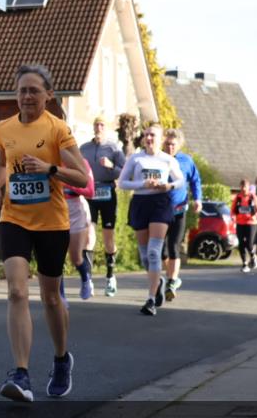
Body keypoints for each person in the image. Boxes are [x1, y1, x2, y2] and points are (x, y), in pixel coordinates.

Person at [0, 64, 88, 401]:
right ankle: (21, 374)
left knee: (50, 297)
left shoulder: (58, 129)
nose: (27, 96)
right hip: (14, 218)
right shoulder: (2, 129)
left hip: (52, 222)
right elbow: (2, 163)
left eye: (34, 90)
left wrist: (50, 169)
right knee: (17, 291)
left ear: (49, 95)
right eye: (22, 90)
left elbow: (83, 178)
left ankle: (61, 359)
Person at [117, 123, 185, 316]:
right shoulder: (136, 158)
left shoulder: (167, 159)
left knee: (155, 252)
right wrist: (143, 183)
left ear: (161, 138)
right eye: (146, 135)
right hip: (140, 203)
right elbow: (122, 183)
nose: (149, 138)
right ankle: (159, 281)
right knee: (145, 256)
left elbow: (180, 180)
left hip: (160, 204)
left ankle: (150, 299)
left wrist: (168, 186)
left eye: (153, 135)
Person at [79, 118, 125, 297]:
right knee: (89, 236)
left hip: (107, 192)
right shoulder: (84, 149)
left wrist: (111, 165)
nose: (98, 128)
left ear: (106, 128)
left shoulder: (113, 148)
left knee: (108, 238)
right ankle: (88, 280)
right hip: (90, 193)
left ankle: (110, 277)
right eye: (96, 125)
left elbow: (125, 170)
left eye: (102, 125)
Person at [161, 128, 201, 301]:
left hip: (179, 209)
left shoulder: (186, 161)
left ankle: (171, 281)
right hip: (160, 210)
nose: (170, 147)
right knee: (161, 250)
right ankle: (168, 276)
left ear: (179, 145)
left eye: (173, 145)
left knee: (174, 245)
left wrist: (198, 199)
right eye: (168, 144)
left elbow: (195, 180)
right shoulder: (158, 159)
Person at [60, 157, 96, 302]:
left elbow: (90, 191)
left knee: (75, 257)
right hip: (55, 210)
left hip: (75, 210)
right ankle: (60, 296)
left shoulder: (81, 163)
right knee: (57, 257)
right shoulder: (48, 160)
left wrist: (68, 184)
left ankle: (86, 279)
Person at [231, 179, 257, 273]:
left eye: (245, 186)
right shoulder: (238, 197)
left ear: (248, 187)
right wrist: (233, 217)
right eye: (242, 186)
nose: (243, 188)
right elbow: (233, 210)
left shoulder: (253, 197)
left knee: (249, 244)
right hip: (240, 223)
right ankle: (245, 264)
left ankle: (253, 257)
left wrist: (255, 216)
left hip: (251, 223)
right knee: (241, 244)